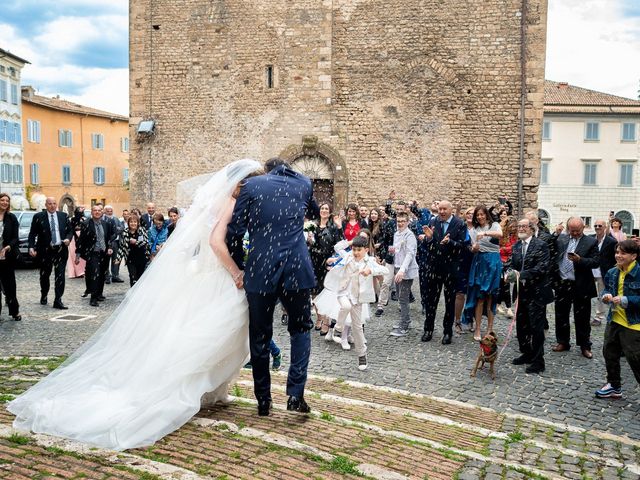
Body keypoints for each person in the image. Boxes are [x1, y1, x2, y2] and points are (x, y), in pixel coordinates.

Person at [8, 159, 262, 450]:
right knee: (217, 333)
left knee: (202, 330)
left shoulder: (213, 205)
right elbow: (217, 243)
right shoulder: (229, 205)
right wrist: (236, 272)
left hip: (202, 276)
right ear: (240, 185)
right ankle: (198, 386)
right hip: (218, 276)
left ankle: (214, 390)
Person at [226, 157, 319, 416]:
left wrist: (240, 264)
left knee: (260, 335)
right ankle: (295, 395)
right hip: (296, 269)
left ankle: (263, 400)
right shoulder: (303, 182)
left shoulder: (253, 187)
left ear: (267, 171)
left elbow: (234, 231)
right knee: (300, 329)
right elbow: (311, 211)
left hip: (260, 270)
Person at [316, 235, 386, 370]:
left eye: (359, 250)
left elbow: (385, 270)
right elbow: (337, 247)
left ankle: (362, 354)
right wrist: (351, 242)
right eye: (354, 249)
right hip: (343, 292)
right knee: (345, 306)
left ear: (366, 250)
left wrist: (370, 270)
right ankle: (338, 328)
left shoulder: (369, 261)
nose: (356, 253)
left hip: (357, 298)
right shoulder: (348, 256)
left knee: (357, 328)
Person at [507, 219, 554, 374]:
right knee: (522, 325)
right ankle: (526, 353)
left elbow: (542, 268)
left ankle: (538, 360)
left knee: (536, 327)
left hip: (537, 292)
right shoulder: (516, 246)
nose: (520, 228)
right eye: (518, 226)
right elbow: (510, 264)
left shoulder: (541, 245)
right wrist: (507, 273)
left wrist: (520, 274)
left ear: (532, 229)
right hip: (522, 292)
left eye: (523, 226)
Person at [596, 240, 640, 399]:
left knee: (635, 359)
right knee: (609, 353)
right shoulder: (612, 272)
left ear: (633, 256)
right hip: (614, 320)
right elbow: (607, 289)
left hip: (633, 324)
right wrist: (606, 296)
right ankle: (614, 386)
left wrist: (625, 300)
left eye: (623, 253)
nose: (618, 256)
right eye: (617, 252)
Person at [420, 200, 469, 344]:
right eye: (440, 209)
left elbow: (463, 246)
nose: (441, 212)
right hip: (434, 267)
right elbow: (428, 245)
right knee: (431, 301)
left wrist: (451, 243)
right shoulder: (433, 222)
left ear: (451, 210)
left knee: (450, 301)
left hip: (451, 269)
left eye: (444, 209)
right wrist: (428, 239)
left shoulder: (459, 224)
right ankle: (428, 329)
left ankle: (447, 332)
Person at [553, 217, 600, 359]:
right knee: (561, 314)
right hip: (563, 283)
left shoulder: (591, 242)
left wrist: (581, 260)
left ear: (583, 228)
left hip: (581, 284)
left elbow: (596, 262)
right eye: (571, 230)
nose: (574, 233)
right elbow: (551, 250)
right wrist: (555, 234)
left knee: (583, 317)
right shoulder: (561, 239)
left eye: (577, 231)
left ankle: (585, 345)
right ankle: (563, 342)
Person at [28, 197, 73, 309]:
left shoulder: (63, 216)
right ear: (46, 205)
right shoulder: (38, 217)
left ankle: (58, 300)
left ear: (56, 204)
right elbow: (32, 234)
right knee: (45, 275)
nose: (52, 206)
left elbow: (70, 230)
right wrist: (31, 247)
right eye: (50, 204)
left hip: (60, 250)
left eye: (54, 203)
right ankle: (44, 294)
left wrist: (68, 239)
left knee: (60, 275)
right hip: (45, 251)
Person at [466, 205, 503, 341]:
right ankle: (477, 328)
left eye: (482, 214)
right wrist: (474, 248)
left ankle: (490, 329)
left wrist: (485, 234)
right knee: (480, 297)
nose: (480, 217)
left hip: (493, 262)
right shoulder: (474, 230)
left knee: (491, 296)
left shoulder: (494, 225)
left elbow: (500, 235)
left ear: (486, 214)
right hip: (480, 261)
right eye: (477, 215)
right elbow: (473, 248)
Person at [307, 202, 344, 334]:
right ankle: (319, 318)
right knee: (315, 291)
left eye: (326, 209)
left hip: (327, 262)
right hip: (313, 261)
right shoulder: (312, 225)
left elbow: (341, 244)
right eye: (322, 208)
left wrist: (340, 228)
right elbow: (306, 243)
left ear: (329, 211)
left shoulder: (333, 227)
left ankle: (326, 322)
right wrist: (309, 240)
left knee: (326, 291)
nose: (324, 210)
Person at [75, 205, 119, 307]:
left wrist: (110, 246)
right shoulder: (86, 224)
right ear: (91, 212)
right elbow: (81, 240)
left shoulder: (105, 223)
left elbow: (109, 237)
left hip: (104, 253)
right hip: (92, 253)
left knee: (102, 273)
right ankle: (93, 298)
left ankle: (99, 294)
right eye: (95, 210)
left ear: (102, 212)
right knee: (95, 274)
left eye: (99, 210)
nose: (97, 212)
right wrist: (78, 254)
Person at [389, 211, 419, 336]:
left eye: (402, 221)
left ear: (407, 222)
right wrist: (393, 251)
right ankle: (404, 320)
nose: (400, 223)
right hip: (397, 267)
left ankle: (405, 325)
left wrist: (402, 270)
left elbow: (410, 254)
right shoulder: (397, 234)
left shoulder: (409, 236)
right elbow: (398, 250)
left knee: (403, 298)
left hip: (405, 270)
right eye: (398, 221)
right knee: (400, 297)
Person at [591, 219, 618, 326]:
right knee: (586, 294)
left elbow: (614, 258)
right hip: (590, 271)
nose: (597, 227)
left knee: (601, 295)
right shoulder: (590, 238)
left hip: (603, 272)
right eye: (595, 225)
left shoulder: (611, 241)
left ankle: (598, 317)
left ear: (605, 227)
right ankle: (584, 314)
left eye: (600, 226)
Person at [0, 193, 21, 321]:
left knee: (10, 286)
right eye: (2, 200)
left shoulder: (11, 218)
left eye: (7, 201)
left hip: (6, 256)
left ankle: (14, 311)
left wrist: (8, 246)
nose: (4, 202)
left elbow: (15, 238)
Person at [115, 214, 150, 287]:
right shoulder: (125, 232)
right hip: (130, 258)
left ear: (138, 223)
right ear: (128, 223)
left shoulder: (141, 230)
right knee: (133, 277)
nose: (133, 223)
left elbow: (146, 242)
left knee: (140, 278)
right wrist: (118, 258)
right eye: (131, 222)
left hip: (141, 257)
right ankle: (132, 293)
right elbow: (122, 246)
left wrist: (136, 242)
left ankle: (139, 294)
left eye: (135, 222)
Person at [103, 205, 125, 284]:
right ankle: (107, 277)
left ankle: (115, 276)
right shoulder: (103, 219)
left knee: (115, 260)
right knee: (106, 260)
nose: (109, 212)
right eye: (108, 211)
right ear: (105, 211)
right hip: (107, 242)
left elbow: (121, 228)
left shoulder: (116, 219)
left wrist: (115, 231)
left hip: (116, 242)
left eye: (111, 211)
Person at [67, 206, 87, 279]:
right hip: (74, 238)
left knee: (82, 255)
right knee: (73, 254)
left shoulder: (84, 219)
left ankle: (82, 271)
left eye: (81, 210)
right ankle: (75, 272)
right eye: (79, 210)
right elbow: (71, 228)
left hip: (83, 238)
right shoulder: (72, 219)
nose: (80, 212)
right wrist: (75, 236)